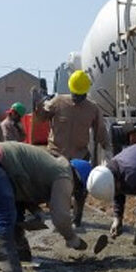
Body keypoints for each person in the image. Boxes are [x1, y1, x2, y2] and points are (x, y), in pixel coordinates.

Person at [0, 141, 102, 272]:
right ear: (79, 181)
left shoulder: (51, 167)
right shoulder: (64, 174)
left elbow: (24, 189)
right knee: (5, 217)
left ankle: (21, 255)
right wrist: (72, 238)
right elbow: (60, 216)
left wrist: (36, 211)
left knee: (16, 214)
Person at [35, 70, 114, 226]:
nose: (78, 98)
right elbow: (40, 118)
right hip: (56, 154)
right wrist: (39, 105)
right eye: (75, 95)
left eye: (81, 95)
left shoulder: (92, 108)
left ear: (86, 92)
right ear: (71, 90)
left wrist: (108, 150)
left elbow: (100, 132)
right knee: (54, 189)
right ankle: (58, 219)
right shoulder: (58, 102)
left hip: (80, 156)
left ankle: (77, 219)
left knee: (79, 191)